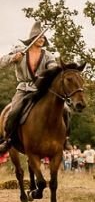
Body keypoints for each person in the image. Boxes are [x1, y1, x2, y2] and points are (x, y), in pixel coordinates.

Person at [0, 21, 58, 153]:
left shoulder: (48, 55)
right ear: (32, 39)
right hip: (23, 89)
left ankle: (64, 139)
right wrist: (13, 58)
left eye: (44, 37)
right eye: (40, 37)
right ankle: (8, 141)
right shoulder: (20, 51)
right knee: (14, 112)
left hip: (41, 90)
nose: (42, 39)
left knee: (64, 108)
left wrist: (52, 71)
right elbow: (1, 62)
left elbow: (53, 67)